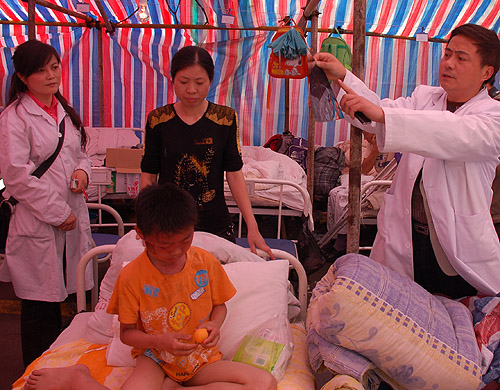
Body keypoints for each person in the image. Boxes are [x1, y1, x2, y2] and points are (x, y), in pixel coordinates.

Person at [23, 182, 277, 390]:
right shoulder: (132, 276)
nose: (176, 252)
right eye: (164, 246)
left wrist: (214, 325)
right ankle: (79, 379)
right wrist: (161, 341)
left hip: (200, 360)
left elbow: (219, 305)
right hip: (155, 359)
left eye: (185, 240)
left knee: (264, 383)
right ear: (141, 235)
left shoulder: (205, 263)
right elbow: (127, 334)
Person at [314, 23, 500, 298]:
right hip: (408, 237)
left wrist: (382, 115)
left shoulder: (492, 115)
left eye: (461, 58)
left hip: (455, 249)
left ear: (487, 72)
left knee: (452, 323)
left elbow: (452, 132)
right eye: (447, 54)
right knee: (402, 321)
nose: (448, 63)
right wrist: (343, 76)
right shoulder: (425, 97)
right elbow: (381, 114)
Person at [0, 40, 93, 366]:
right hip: (39, 221)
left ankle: (64, 368)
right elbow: (16, 176)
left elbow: (80, 153)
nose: (51, 75)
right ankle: (36, 376)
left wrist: (82, 172)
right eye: (41, 70)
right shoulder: (14, 117)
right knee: (39, 310)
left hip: (71, 218)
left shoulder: (65, 111)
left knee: (72, 300)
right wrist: (57, 213)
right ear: (24, 77)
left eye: (54, 67)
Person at [140, 46, 273, 258]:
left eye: (199, 82)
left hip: (215, 223)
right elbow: (148, 173)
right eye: (184, 82)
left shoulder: (225, 119)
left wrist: (252, 224)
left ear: (210, 81)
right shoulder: (158, 120)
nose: (191, 89)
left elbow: (234, 173)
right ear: (173, 79)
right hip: (168, 225)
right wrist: (144, 219)